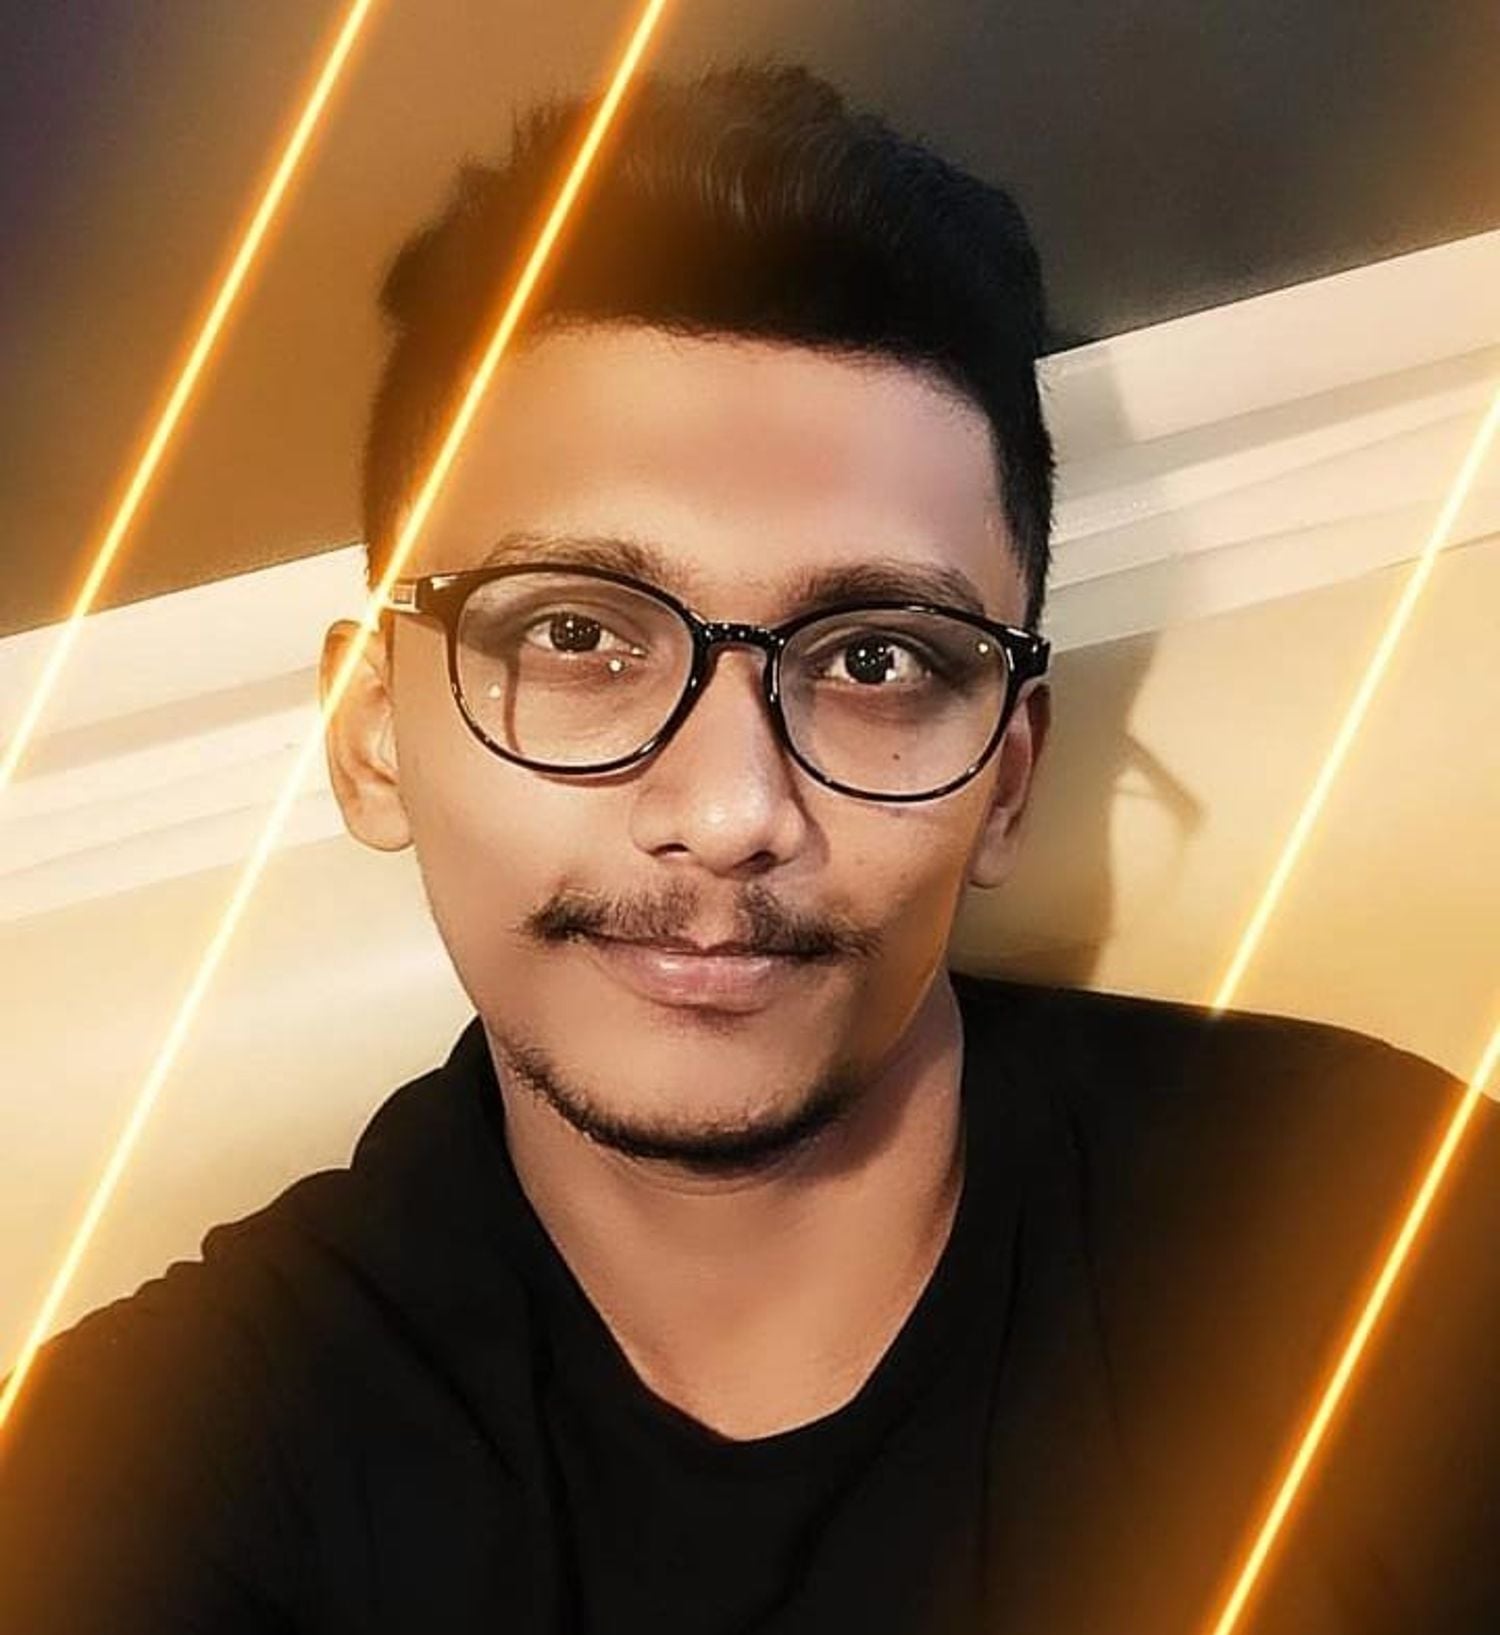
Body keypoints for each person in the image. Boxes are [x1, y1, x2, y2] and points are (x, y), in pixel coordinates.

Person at [1, 62, 1495, 1635]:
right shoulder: (145, 1476)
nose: (730, 814)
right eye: (575, 635)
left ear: (1007, 779)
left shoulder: (1384, 1246)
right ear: (374, 735)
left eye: (876, 659)